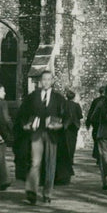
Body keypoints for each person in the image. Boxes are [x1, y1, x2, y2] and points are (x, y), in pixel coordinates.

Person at [17, 70, 68, 205]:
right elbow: (22, 113)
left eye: (48, 79)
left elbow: (66, 116)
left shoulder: (59, 98)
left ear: (52, 81)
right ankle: (31, 191)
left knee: (50, 164)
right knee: (35, 162)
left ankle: (47, 193)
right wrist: (25, 125)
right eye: (43, 79)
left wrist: (60, 125)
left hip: (52, 135)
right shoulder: (32, 97)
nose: (46, 82)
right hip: (36, 134)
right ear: (40, 81)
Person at [0, 84, 15, 191]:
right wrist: (12, 131)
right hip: (0, 134)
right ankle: (4, 180)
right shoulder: (2, 103)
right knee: (1, 157)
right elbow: (5, 119)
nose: (5, 93)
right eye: (3, 91)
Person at [63, 89, 83, 176]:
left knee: (65, 142)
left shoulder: (63, 104)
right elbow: (80, 116)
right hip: (74, 126)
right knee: (73, 142)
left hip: (65, 126)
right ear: (74, 97)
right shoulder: (76, 105)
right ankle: (71, 158)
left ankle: (67, 159)